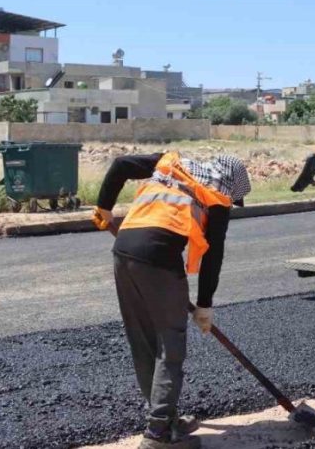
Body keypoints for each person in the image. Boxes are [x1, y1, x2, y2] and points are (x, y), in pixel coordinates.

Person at [94, 152, 252, 449]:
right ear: (231, 182)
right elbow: (212, 255)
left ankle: (164, 419)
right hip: (158, 258)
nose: (231, 200)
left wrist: (104, 207)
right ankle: (158, 435)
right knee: (170, 346)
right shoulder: (216, 195)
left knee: (143, 342)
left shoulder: (170, 162)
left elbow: (120, 165)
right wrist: (205, 304)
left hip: (123, 250)